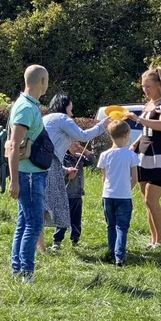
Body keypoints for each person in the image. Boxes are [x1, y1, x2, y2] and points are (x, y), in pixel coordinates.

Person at [43, 93, 109, 250]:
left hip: (41, 164)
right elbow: (83, 136)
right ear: (64, 105)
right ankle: (49, 244)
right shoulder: (62, 118)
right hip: (51, 164)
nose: (72, 111)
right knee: (55, 206)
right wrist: (102, 125)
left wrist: (64, 170)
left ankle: (40, 247)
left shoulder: (46, 118)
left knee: (42, 205)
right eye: (70, 107)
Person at [126, 66, 161, 250]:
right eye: (143, 87)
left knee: (151, 199)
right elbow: (147, 130)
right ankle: (153, 239)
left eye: (148, 86)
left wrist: (137, 119)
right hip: (144, 152)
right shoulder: (148, 105)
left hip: (160, 153)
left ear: (158, 85)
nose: (145, 90)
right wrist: (135, 144)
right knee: (146, 200)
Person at [8, 65, 50, 281]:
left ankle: (17, 269)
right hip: (29, 175)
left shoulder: (27, 104)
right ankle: (26, 272)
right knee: (33, 223)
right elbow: (14, 145)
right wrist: (14, 181)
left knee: (24, 222)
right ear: (42, 81)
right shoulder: (25, 108)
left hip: (30, 173)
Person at [97, 120, 140, 267]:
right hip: (124, 196)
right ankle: (119, 256)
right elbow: (135, 178)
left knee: (111, 225)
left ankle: (111, 251)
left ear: (110, 136)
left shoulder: (104, 155)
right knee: (122, 227)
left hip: (108, 195)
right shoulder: (131, 155)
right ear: (127, 135)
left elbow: (104, 177)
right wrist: (129, 188)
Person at [52, 143, 92, 251]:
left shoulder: (79, 157)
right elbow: (57, 171)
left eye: (77, 143)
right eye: (73, 143)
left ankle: (75, 239)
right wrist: (67, 173)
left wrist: (84, 149)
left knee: (76, 219)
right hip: (66, 194)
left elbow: (92, 161)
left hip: (77, 194)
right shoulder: (63, 157)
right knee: (63, 219)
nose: (76, 145)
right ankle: (57, 241)